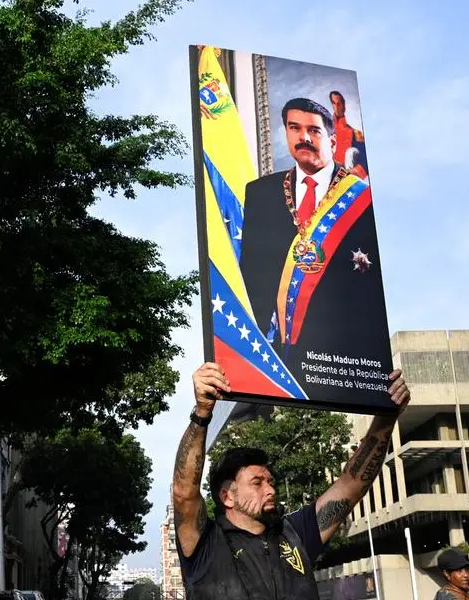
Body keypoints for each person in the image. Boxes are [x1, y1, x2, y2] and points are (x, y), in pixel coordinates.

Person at [172, 362, 410, 600]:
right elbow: (184, 493)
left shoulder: (295, 533)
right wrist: (202, 414)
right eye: (257, 483)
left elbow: (352, 484)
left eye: (270, 481)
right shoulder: (206, 544)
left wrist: (387, 417)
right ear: (227, 497)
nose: (270, 490)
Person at [240, 98, 388, 392]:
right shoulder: (260, 192)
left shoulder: (363, 199)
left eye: (314, 130)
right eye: (294, 128)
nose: (304, 137)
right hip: (275, 357)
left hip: (342, 360)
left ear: (333, 141)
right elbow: (252, 275)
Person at [328, 91, 368, 178]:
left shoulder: (354, 132)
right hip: (329, 169)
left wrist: (355, 171)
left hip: (346, 171)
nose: (337, 107)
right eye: (334, 103)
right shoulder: (326, 128)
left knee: (351, 152)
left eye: (339, 103)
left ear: (344, 106)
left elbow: (366, 156)